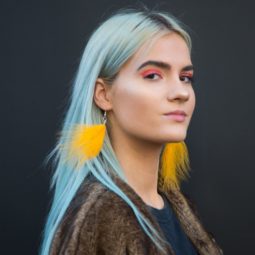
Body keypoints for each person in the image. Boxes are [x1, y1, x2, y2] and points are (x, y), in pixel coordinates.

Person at [39, 6, 223, 255]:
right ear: (104, 95)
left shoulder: (178, 210)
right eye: (153, 75)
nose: (181, 92)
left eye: (185, 77)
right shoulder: (96, 218)